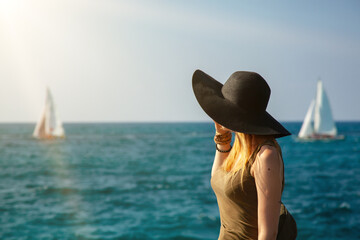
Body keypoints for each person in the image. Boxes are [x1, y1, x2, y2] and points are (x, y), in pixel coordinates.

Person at [192, 70, 297, 240]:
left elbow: (268, 234)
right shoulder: (240, 148)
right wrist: (222, 138)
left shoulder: (266, 156)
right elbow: (218, 178)